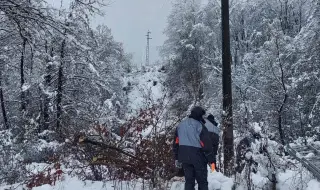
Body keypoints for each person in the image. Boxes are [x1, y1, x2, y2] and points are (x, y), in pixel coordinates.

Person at [173, 106, 215, 190]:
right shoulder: (200, 126)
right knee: (202, 181)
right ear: (199, 115)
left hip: (184, 157)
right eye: (202, 115)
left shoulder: (180, 125)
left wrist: (176, 157)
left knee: (189, 181)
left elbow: (176, 143)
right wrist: (212, 161)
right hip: (198, 158)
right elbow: (207, 145)